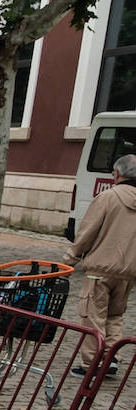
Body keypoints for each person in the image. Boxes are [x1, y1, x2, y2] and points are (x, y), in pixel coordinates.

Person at [64, 153, 136, 376]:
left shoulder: (108, 198)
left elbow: (87, 232)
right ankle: (112, 359)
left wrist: (70, 259)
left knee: (92, 316)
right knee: (115, 316)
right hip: (128, 272)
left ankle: (92, 365)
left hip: (99, 270)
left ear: (117, 174)